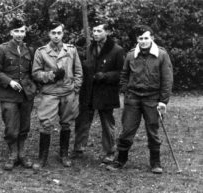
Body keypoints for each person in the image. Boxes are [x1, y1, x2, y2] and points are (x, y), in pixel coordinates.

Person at [106, 25, 173, 174]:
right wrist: (125, 90)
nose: (143, 41)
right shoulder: (131, 55)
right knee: (127, 130)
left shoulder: (161, 55)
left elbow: (167, 80)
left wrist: (163, 101)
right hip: (133, 98)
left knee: (153, 131)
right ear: (137, 39)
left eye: (146, 38)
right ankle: (120, 160)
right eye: (140, 38)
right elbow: (124, 74)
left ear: (152, 38)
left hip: (153, 99)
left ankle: (155, 162)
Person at [31, 21, 83, 169]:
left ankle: (64, 155)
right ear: (49, 34)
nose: (56, 36)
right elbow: (35, 74)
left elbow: (78, 71)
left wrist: (75, 88)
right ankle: (42, 158)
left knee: (66, 123)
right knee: (46, 124)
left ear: (63, 34)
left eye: (59, 33)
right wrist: (51, 75)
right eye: (53, 33)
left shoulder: (71, 50)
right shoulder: (41, 52)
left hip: (68, 93)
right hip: (50, 93)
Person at [72, 21, 125, 163]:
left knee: (107, 123)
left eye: (99, 31)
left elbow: (121, 73)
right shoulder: (89, 48)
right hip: (88, 90)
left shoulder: (117, 50)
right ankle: (79, 148)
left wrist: (106, 76)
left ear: (107, 32)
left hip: (106, 92)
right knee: (83, 120)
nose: (95, 33)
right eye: (94, 31)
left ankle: (110, 151)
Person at [0, 18, 37, 170]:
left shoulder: (29, 50)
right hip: (8, 95)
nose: (19, 34)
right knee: (11, 128)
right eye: (16, 31)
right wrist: (9, 81)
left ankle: (22, 154)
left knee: (25, 126)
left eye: (22, 31)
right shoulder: (2, 49)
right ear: (11, 32)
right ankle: (12, 155)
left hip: (26, 95)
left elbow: (33, 72)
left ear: (25, 32)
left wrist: (32, 87)